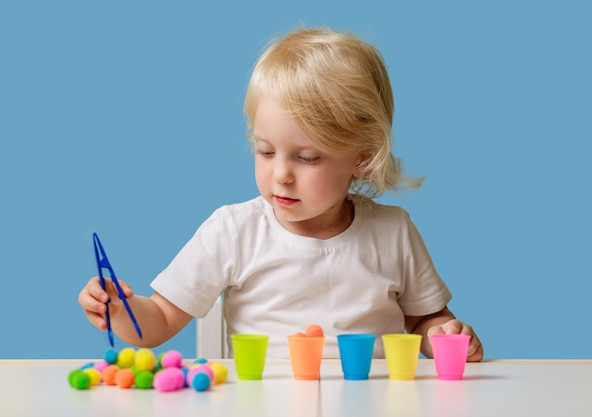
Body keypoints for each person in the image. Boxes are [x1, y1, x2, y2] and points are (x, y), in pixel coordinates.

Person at [78, 26, 484, 362]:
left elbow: (424, 322)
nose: (281, 175)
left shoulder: (393, 232)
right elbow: (161, 318)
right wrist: (120, 311)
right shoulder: (234, 231)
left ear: (361, 157)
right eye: (266, 151)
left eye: (307, 158)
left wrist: (448, 335)